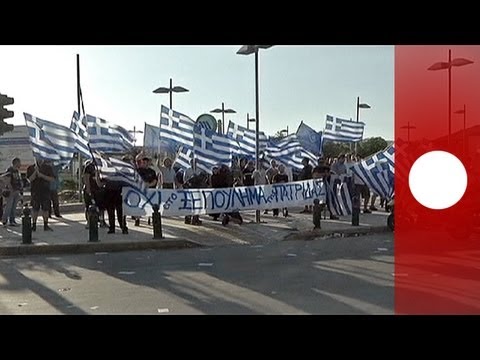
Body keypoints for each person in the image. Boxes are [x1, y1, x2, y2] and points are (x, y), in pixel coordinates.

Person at [26, 159, 55, 231]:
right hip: (35, 191)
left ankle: (46, 225)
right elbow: (29, 179)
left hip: (45, 190)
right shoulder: (31, 168)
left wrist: (41, 175)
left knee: (45, 209)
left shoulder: (48, 168)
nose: (39, 160)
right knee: (35, 208)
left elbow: (52, 179)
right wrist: (35, 172)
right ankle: (34, 225)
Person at [2, 158, 23, 226]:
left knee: (14, 207)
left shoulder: (17, 171)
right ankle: (4, 220)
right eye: (19, 162)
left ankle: (12, 220)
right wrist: (11, 189)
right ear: (16, 163)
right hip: (11, 191)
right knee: (9, 206)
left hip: (17, 190)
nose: (20, 164)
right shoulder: (10, 170)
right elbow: (7, 180)